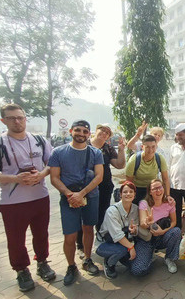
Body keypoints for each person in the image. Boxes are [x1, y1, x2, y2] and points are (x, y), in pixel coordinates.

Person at [0, 104, 55, 292]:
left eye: (20, 117)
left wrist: (41, 175)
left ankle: (42, 262)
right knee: (15, 239)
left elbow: (51, 164)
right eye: (11, 118)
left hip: (40, 197)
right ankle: (21, 270)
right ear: (3, 120)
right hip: (12, 202)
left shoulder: (39, 140)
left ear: (25, 118)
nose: (17, 121)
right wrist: (15, 178)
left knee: (41, 234)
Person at [48, 120, 104, 286]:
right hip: (68, 199)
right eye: (78, 130)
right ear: (71, 131)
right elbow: (54, 178)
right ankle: (71, 266)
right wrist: (70, 195)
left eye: (85, 131)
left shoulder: (95, 153)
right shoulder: (58, 152)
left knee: (88, 228)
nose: (81, 134)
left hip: (90, 197)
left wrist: (82, 194)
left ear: (89, 134)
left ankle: (87, 259)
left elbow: (99, 176)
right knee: (70, 235)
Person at [76, 123, 127, 259]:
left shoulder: (108, 148)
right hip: (84, 188)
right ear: (95, 131)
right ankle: (81, 246)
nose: (104, 133)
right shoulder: (84, 144)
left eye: (107, 132)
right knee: (83, 218)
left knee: (101, 214)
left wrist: (121, 149)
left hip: (104, 187)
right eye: (102, 130)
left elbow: (119, 164)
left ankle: (100, 240)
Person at [135, 179, 181, 275]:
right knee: (139, 270)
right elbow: (143, 223)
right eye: (154, 189)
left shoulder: (169, 203)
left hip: (162, 236)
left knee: (176, 231)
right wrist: (149, 223)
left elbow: (174, 222)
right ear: (150, 192)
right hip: (147, 238)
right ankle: (149, 257)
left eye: (160, 187)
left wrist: (163, 232)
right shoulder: (144, 203)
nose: (158, 190)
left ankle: (169, 258)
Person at [96, 181, 139, 279]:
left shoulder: (135, 209)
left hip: (123, 241)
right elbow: (117, 235)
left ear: (135, 194)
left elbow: (136, 229)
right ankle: (109, 263)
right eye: (125, 192)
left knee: (133, 266)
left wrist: (134, 230)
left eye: (131, 191)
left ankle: (121, 256)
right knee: (123, 250)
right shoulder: (112, 211)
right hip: (105, 243)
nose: (128, 194)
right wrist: (131, 248)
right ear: (120, 194)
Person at [125, 134, 172, 206]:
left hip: (153, 190)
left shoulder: (159, 158)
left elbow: (165, 179)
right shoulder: (134, 160)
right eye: (147, 147)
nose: (150, 150)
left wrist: (167, 195)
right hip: (137, 190)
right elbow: (129, 182)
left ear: (156, 146)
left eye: (153, 147)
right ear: (142, 147)